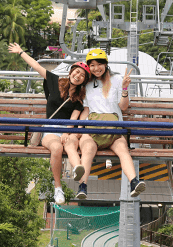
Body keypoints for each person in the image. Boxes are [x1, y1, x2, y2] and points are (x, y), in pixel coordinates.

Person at [8, 43, 89, 205]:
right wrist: (21, 52)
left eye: (82, 75)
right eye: (77, 72)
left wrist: (67, 132)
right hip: (50, 130)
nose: (78, 76)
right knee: (57, 148)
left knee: (68, 145)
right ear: (71, 71)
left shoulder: (79, 99)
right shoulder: (55, 81)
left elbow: (73, 118)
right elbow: (37, 66)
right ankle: (57, 188)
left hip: (65, 130)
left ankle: (77, 171)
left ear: (84, 81)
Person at [75, 48, 146, 200]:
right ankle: (82, 186)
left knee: (123, 150)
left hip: (114, 129)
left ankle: (134, 182)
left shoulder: (117, 79)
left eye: (99, 64)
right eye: (92, 65)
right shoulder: (87, 84)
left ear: (105, 64)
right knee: (87, 149)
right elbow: (86, 110)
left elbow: (123, 106)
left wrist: (125, 88)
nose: (96, 68)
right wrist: (79, 128)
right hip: (93, 128)